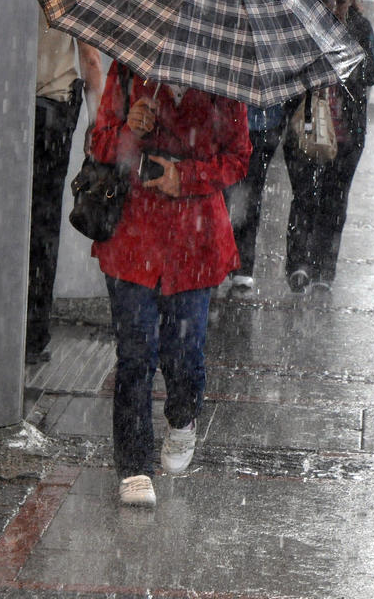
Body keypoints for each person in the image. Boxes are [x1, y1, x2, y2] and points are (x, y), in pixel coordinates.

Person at [88, 61, 251, 506]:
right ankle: (134, 465)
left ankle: (183, 417)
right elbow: (99, 142)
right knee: (136, 353)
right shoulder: (129, 69)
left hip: (195, 242)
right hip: (133, 238)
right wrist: (129, 131)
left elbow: (239, 159)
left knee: (185, 351)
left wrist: (187, 177)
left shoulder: (225, 78)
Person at [26, 0, 104, 366]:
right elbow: (90, 58)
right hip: (54, 111)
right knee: (43, 221)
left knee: (5, 219)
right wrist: (98, 122)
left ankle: (2, 319)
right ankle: (34, 333)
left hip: (7, 112)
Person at [283, 0, 374, 293]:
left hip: (346, 131)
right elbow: (285, 71)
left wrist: (343, 62)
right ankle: (298, 264)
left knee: (334, 202)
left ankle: (324, 267)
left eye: (341, 0)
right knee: (304, 197)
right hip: (308, 123)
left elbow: (372, 73)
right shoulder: (303, 23)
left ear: (350, 0)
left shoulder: (360, 28)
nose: (334, 6)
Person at [224, 100, 287, 297]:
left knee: (246, 195)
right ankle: (235, 262)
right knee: (240, 195)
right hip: (253, 123)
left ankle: (239, 262)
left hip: (257, 125)